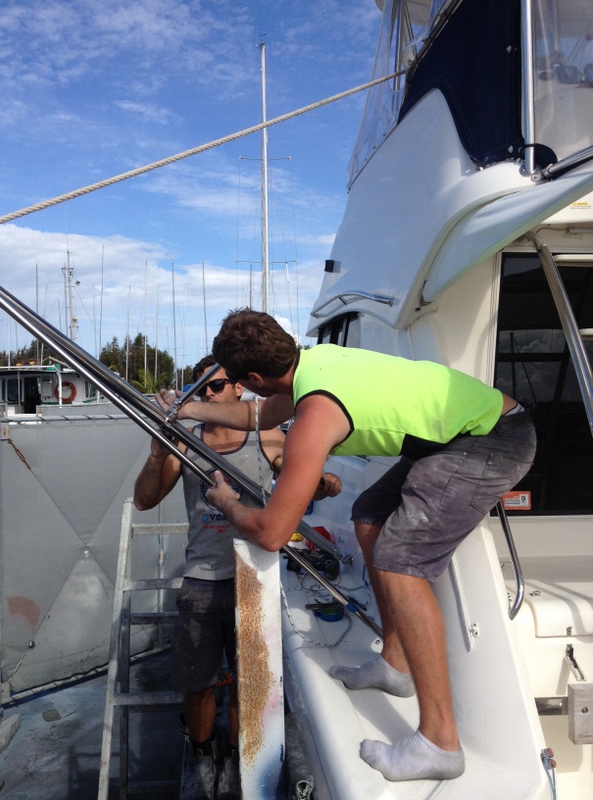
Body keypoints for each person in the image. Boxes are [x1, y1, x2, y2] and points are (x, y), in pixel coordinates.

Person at [156, 309, 537, 784]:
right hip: (465, 432)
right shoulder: (314, 363)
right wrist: (190, 410)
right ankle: (395, 664)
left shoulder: (316, 413)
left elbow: (272, 533)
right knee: (370, 515)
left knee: (400, 560)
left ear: (253, 379)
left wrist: (228, 503)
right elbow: (259, 415)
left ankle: (440, 743)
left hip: (492, 439)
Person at [135, 355, 340, 800]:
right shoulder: (183, 443)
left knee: (250, 681)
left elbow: (296, 470)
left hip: (254, 576)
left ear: (238, 390)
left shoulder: (268, 437)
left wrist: (322, 481)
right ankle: (202, 756)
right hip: (201, 577)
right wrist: (156, 455)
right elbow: (144, 500)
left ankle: (235, 759)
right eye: (199, 389)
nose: (207, 394)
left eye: (217, 386)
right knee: (196, 683)